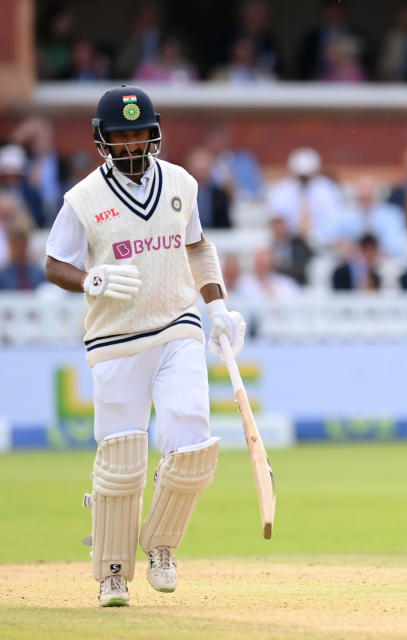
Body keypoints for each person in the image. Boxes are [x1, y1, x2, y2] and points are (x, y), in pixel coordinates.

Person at [44, 85, 245, 607]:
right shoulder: (83, 198)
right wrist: (91, 280)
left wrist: (217, 306)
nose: (132, 145)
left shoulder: (181, 183)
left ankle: (161, 545)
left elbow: (198, 247)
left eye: (139, 135)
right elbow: (53, 263)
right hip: (114, 338)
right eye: (121, 137)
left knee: (194, 440)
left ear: (154, 134)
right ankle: (113, 571)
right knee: (121, 459)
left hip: (178, 325)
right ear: (102, 141)